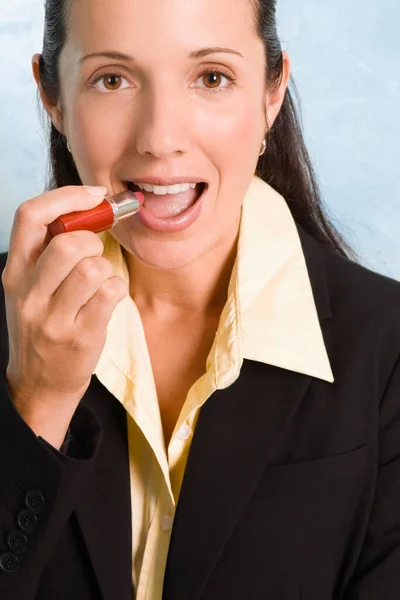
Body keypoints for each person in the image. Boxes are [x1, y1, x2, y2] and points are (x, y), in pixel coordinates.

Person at [0, 0, 399, 598]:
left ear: (272, 93)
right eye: (112, 79)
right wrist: (36, 403)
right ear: (52, 97)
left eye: (212, 77)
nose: (161, 140)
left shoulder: (387, 343)